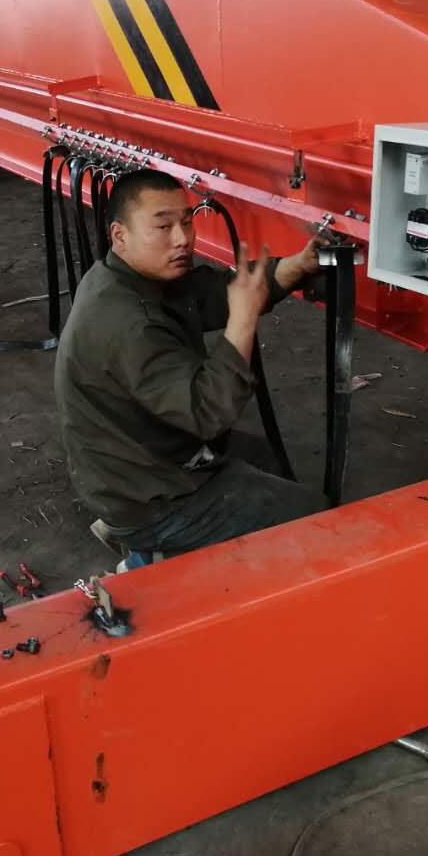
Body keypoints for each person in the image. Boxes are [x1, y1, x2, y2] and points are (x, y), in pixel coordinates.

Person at [55, 168, 330, 572]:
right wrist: (243, 320)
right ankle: (156, 550)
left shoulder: (124, 274)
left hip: (136, 456)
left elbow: (214, 293)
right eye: (163, 226)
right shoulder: (129, 323)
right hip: (147, 496)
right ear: (120, 235)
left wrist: (299, 265)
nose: (182, 238)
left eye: (186, 222)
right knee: (317, 519)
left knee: (258, 455)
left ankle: (165, 545)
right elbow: (208, 411)